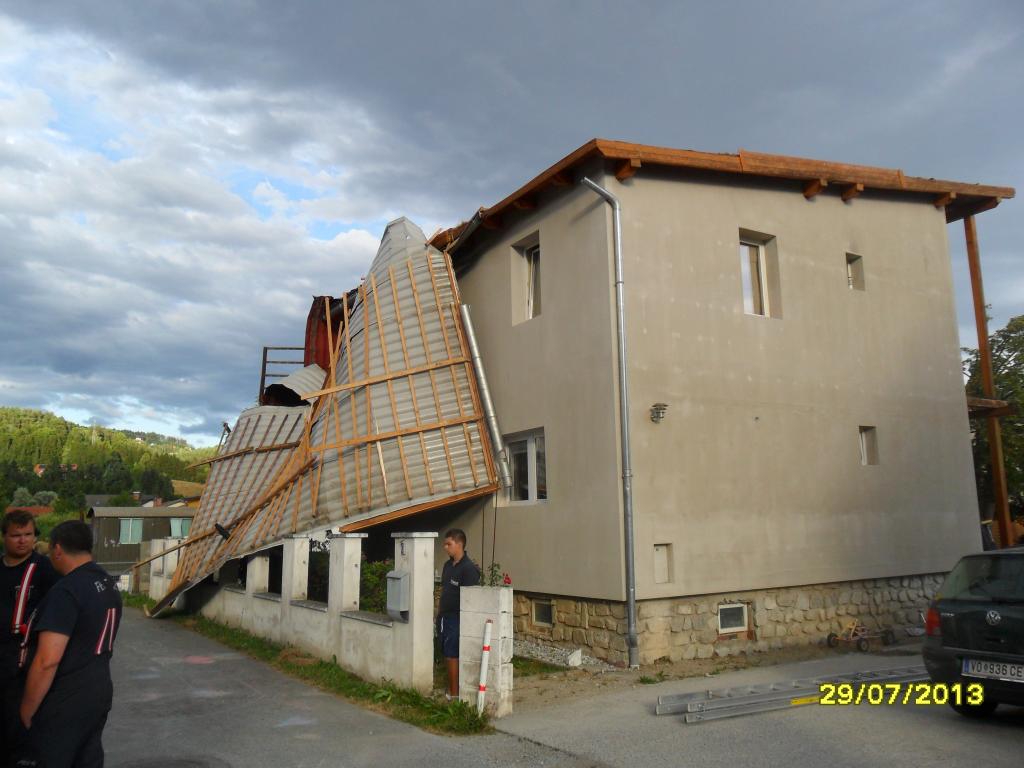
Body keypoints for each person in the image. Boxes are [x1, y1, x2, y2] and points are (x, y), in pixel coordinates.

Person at [14, 520, 122, 768]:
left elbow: (47, 660)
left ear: (57, 549)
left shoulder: (66, 591)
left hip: (66, 698)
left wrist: (27, 708)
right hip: (98, 690)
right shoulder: (107, 583)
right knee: (87, 759)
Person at [1, 511, 58, 764]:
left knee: (21, 726)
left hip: (26, 661)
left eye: (28, 534)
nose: (23, 540)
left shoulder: (45, 569)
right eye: (16, 535)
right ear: (4, 537)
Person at [437, 528, 480, 700]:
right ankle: (451, 687)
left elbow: (471, 599)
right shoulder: (447, 566)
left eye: (449, 544)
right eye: (445, 544)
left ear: (459, 544)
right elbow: (445, 590)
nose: (445, 547)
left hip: (457, 618)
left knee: (452, 653)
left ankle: (454, 695)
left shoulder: (469, 569)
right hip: (444, 616)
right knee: (445, 651)